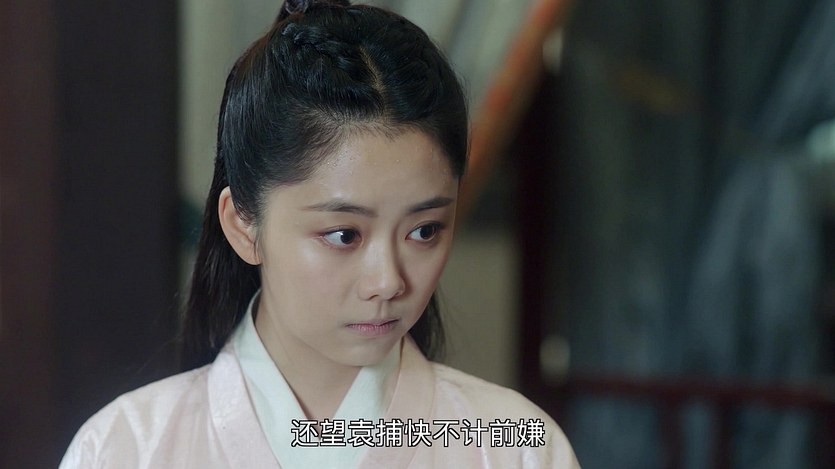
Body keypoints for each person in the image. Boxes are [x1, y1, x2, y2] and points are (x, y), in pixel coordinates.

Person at [59, 1, 580, 467]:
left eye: (424, 230)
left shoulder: (514, 448)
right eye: (344, 235)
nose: (388, 281)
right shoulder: (125, 450)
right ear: (242, 223)